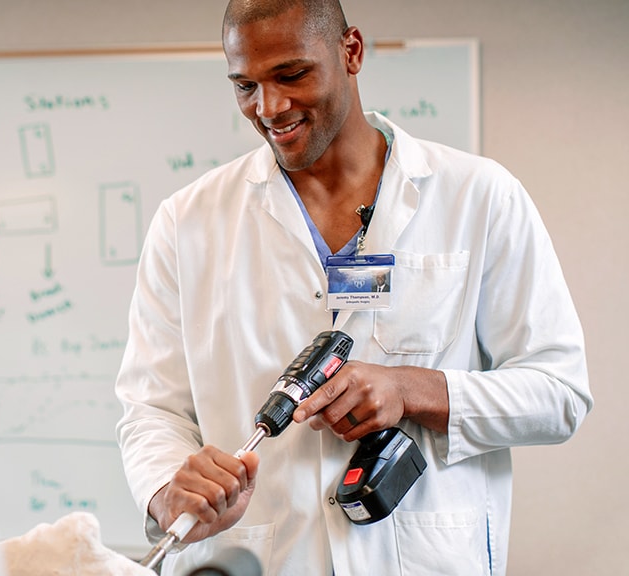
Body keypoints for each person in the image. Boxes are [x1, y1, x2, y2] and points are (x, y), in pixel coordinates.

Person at [114, 1, 592, 574]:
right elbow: (150, 409)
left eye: (292, 75)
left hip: (426, 555)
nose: (269, 107)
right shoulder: (187, 221)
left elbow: (559, 394)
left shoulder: (478, 196)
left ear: (352, 51)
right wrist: (169, 490)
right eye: (246, 86)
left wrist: (413, 390)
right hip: (268, 556)